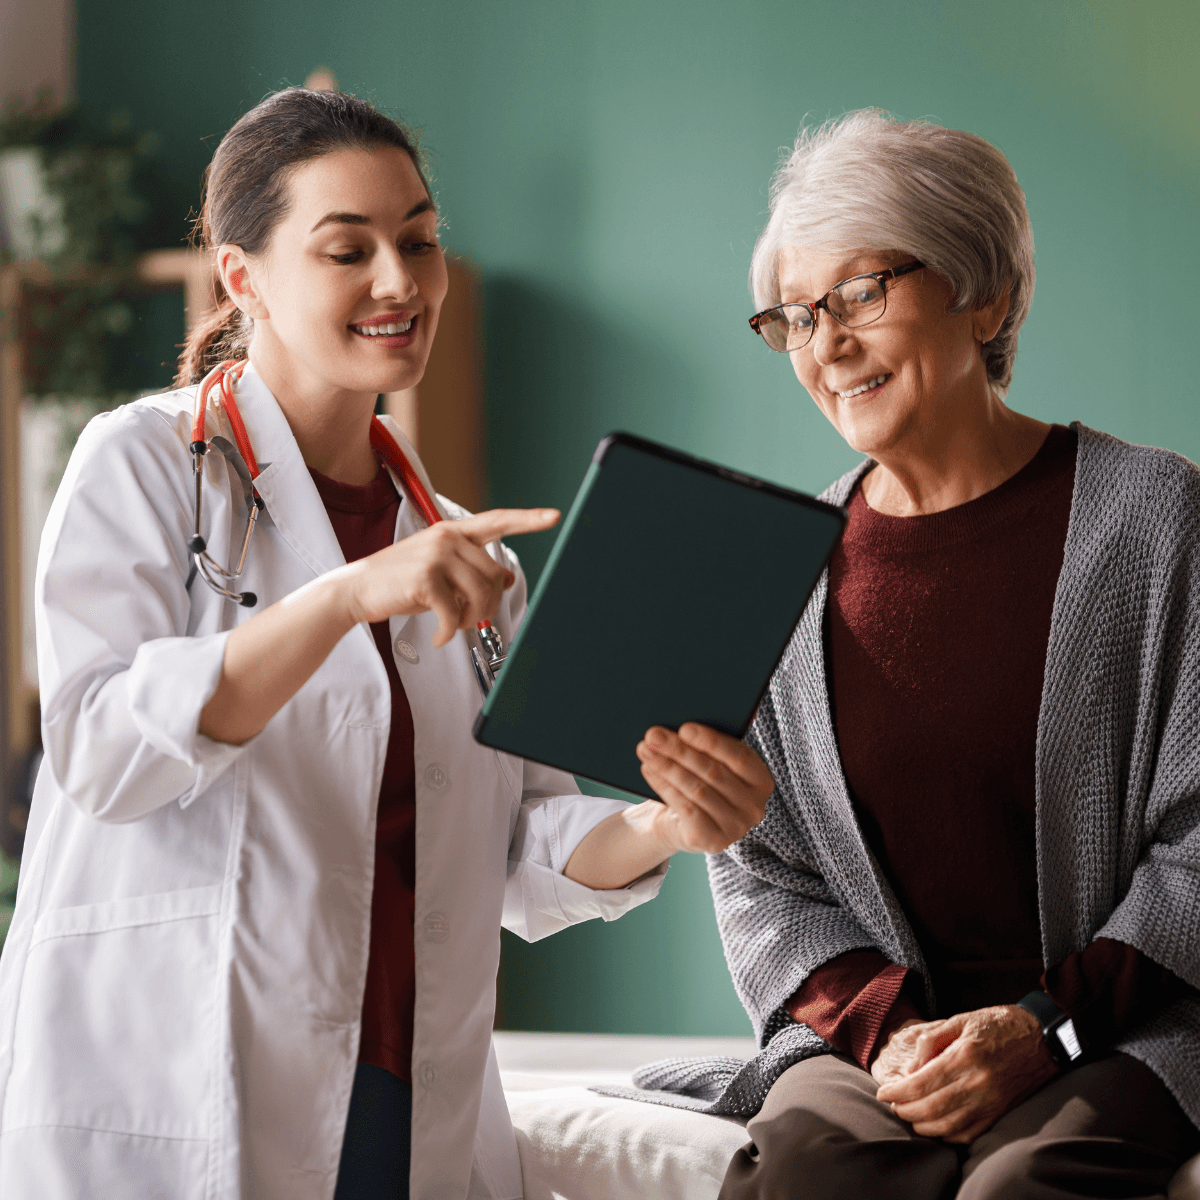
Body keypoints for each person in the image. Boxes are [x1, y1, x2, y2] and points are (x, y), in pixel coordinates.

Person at [0, 89, 773, 1200]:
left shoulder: (460, 553)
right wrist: (343, 599)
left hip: (407, 1095)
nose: (401, 281)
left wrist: (666, 823)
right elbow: (101, 752)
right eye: (347, 249)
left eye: (419, 239)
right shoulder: (143, 465)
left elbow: (524, 852)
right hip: (186, 1084)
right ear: (242, 277)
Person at [702, 109, 1200, 1197]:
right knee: (811, 1169)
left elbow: (1199, 852)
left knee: (1025, 1182)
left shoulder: (1159, 521)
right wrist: (891, 1035)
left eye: (861, 294)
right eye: (794, 315)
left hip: (1123, 1030)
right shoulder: (781, 568)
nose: (825, 345)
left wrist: (1037, 1032)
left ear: (989, 294)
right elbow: (759, 873)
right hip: (883, 1043)